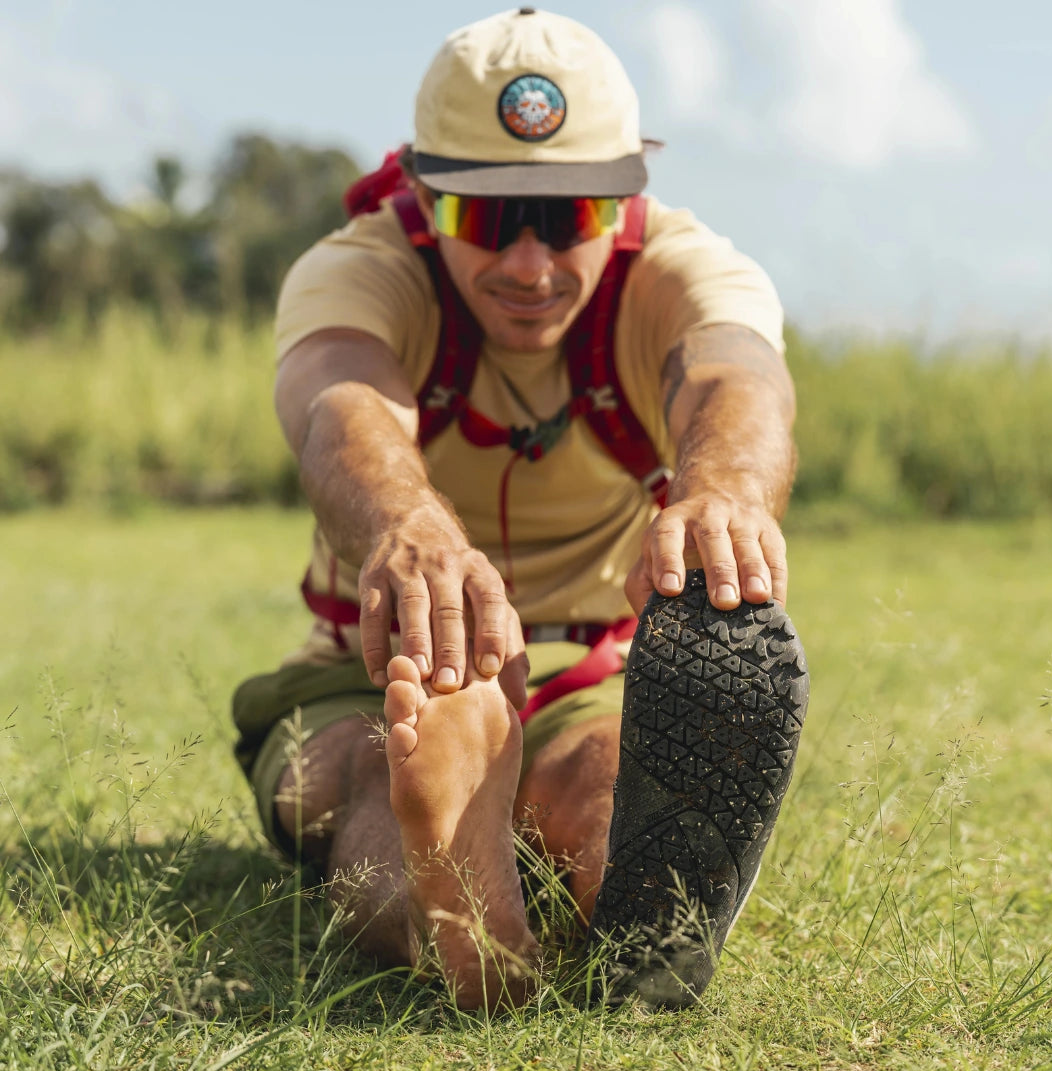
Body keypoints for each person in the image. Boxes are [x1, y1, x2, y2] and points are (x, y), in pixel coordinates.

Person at [232, 7, 809, 1012]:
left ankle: (562, 893)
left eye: (572, 214)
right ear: (422, 196)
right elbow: (341, 408)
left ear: (627, 198)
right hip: (379, 668)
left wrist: (723, 488)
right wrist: (407, 528)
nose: (531, 265)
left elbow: (738, 382)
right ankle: (461, 894)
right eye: (488, 218)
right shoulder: (358, 268)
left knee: (608, 797)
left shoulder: (685, 268)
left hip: (593, 668)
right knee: (370, 783)